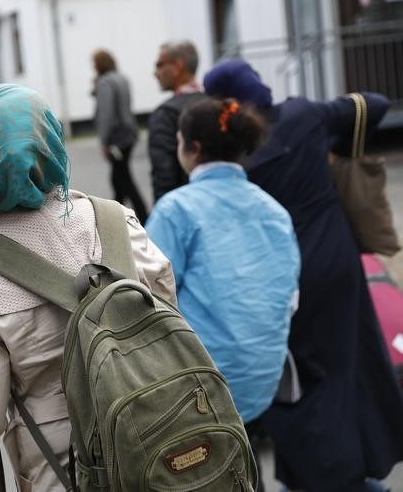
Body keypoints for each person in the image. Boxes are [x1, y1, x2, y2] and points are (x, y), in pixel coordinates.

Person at [0, 84, 176, 490]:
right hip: (160, 446)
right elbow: (167, 318)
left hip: (65, 470)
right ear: (52, 143)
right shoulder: (114, 221)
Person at [204, 59, 403, 492]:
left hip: (279, 274)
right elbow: (376, 103)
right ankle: (365, 467)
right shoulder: (304, 117)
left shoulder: (237, 154)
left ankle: (324, 476)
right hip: (337, 262)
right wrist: (339, 146)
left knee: (297, 377)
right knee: (354, 362)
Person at [145, 97, 301, 491]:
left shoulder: (175, 210)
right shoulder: (275, 211)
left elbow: (145, 299)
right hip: (263, 378)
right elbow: (288, 296)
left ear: (192, 149)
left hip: (206, 388)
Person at [92, 49, 149, 223]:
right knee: (119, 176)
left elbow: (106, 114)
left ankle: (139, 215)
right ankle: (118, 216)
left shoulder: (105, 83)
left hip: (116, 138)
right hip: (129, 133)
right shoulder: (122, 78)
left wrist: (104, 141)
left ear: (100, 64)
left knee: (122, 177)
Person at [148, 41, 206, 202]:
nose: (155, 73)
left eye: (159, 65)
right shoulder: (217, 104)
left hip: (184, 210)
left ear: (177, 67)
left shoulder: (166, 114)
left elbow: (164, 176)